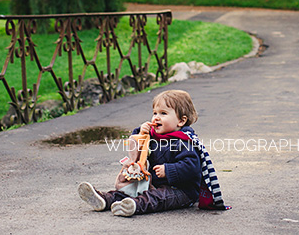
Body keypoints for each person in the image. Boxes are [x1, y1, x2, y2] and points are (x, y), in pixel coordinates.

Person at [78, 89, 229, 216]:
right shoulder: (153, 136)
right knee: (130, 190)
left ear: (181, 121)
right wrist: (140, 132)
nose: (156, 117)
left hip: (181, 191)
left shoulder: (183, 141)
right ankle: (105, 199)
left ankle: (134, 206)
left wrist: (169, 170)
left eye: (163, 113)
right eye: (155, 112)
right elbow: (137, 148)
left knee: (158, 197)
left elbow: (192, 167)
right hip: (151, 183)